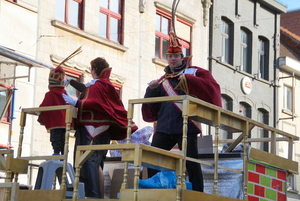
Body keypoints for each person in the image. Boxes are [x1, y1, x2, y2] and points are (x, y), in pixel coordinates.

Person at [142, 31, 222, 192]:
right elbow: (153, 104)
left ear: (182, 57)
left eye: (176, 56)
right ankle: (155, 189)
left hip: (187, 125)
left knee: (191, 162)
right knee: (151, 158)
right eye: (170, 56)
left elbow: (210, 88)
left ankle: (197, 193)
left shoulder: (193, 73)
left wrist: (189, 80)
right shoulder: (162, 80)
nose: (173, 59)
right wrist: (150, 90)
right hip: (164, 127)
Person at [62, 57, 138, 198]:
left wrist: (75, 102)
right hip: (104, 129)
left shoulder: (97, 86)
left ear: (94, 69)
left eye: (91, 69)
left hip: (92, 129)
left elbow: (94, 101)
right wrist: (72, 82)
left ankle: (93, 195)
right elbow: (87, 91)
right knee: (97, 163)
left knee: (89, 162)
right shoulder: (104, 85)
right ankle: (98, 195)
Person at [38, 66, 71, 155]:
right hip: (65, 121)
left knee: (55, 138)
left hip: (55, 121)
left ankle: (56, 152)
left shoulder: (50, 94)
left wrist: (39, 112)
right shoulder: (65, 93)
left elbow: (44, 106)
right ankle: (64, 153)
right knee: (63, 138)